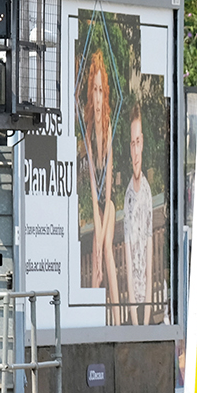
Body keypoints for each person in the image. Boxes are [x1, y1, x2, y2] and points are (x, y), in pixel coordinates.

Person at [80, 49, 121, 322]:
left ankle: (117, 319)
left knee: (104, 249)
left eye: (100, 90)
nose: (97, 97)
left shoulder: (107, 128)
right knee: (98, 250)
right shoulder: (87, 132)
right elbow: (93, 194)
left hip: (110, 205)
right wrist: (97, 226)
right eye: (93, 90)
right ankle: (95, 319)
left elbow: (106, 194)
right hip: (96, 207)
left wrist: (102, 229)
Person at [121, 103, 154, 325]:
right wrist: (135, 324)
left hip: (146, 303)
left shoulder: (147, 193)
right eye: (132, 144)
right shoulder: (128, 197)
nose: (135, 151)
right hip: (133, 307)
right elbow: (128, 262)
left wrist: (146, 322)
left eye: (138, 143)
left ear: (143, 143)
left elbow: (149, 264)